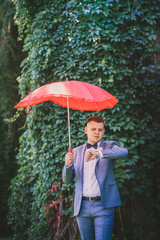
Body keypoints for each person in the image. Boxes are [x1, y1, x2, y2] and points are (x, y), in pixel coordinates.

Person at [62, 115, 128, 240]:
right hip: (82, 207)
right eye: (93, 129)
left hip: (104, 205)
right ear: (86, 130)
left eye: (100, 129)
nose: (97, 132)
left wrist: (98, 154)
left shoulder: (109, 146)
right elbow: (67, 180)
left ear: (104, 131)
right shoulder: (76, 151)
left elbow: (124, 152)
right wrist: (68, 165)